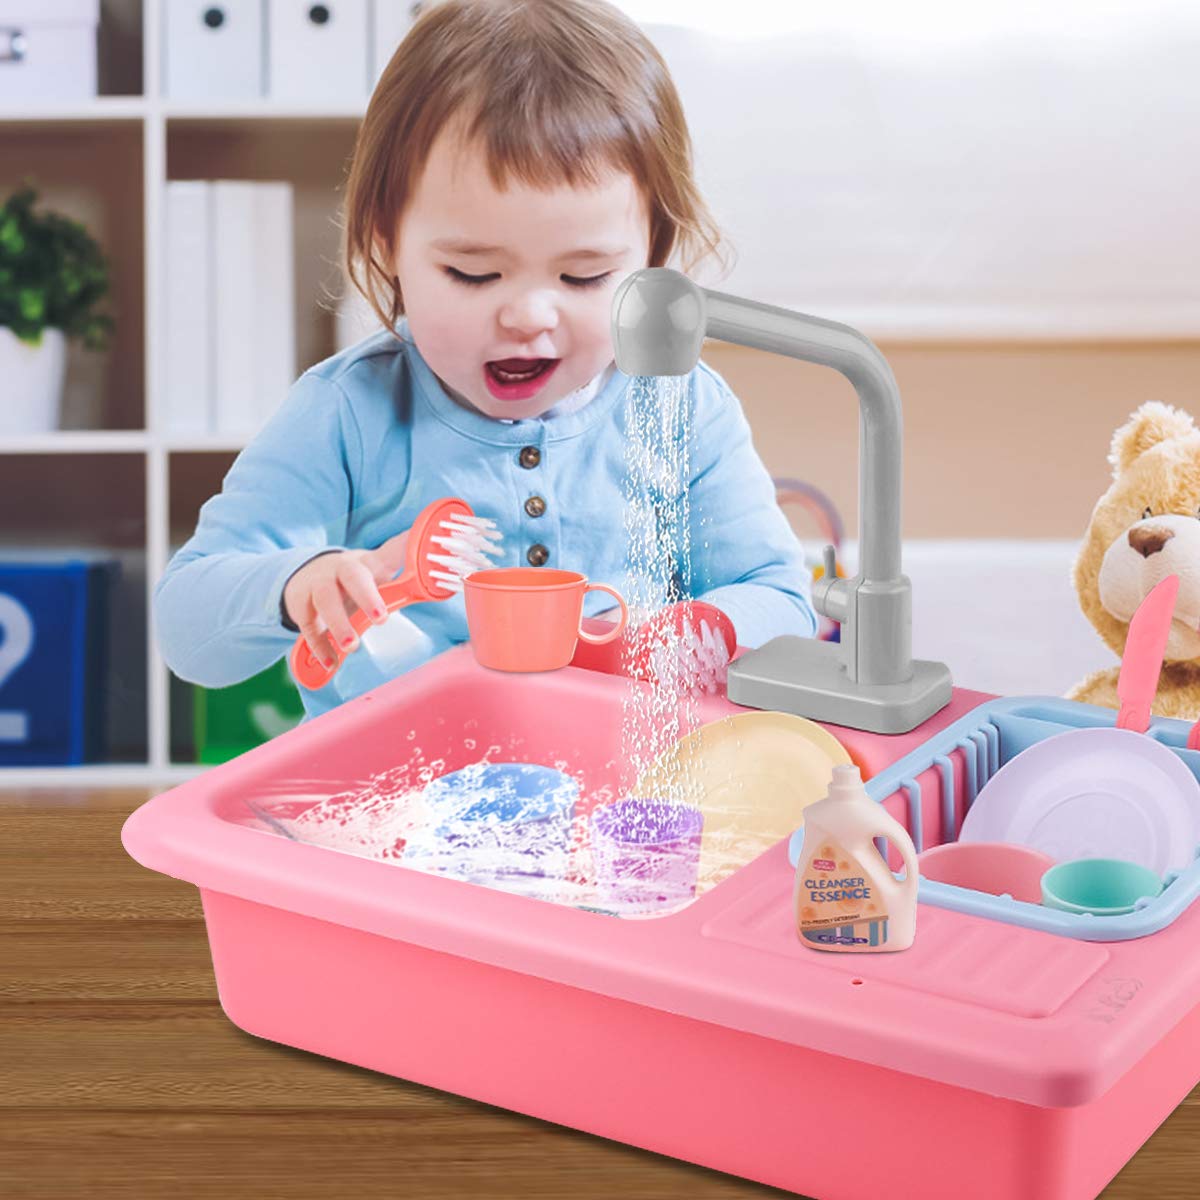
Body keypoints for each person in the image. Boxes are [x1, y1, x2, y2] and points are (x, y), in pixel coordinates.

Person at [155, 0, 817, 721]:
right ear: (387, 243)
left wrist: (689, 636)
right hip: (398, 800)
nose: (529, 315)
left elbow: (780, 599)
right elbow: (187, 630)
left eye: (584, 276)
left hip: (626, 798)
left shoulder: (680, 407)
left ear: (653, 255)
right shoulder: (348, 412)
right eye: (473, 274)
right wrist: (296, 585)